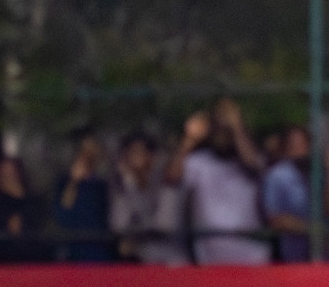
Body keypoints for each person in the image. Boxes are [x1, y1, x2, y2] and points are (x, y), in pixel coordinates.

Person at [167, 98, 270, 265]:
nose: (221, 135)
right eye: (217, 129)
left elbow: (255, 166)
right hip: (210, 257)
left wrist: (235, 126)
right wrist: (190, 139)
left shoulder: (251, 159)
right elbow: (171, 177)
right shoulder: (199, 162)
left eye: (226, 131)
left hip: (252, 256)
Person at [109, 132, 186, 265]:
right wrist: (128, 184)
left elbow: (165, 225)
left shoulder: (166, 183)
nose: (134, 158)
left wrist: (134, 234)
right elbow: (119, 225)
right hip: (142, 265)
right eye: (130, 153)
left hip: (172, 264)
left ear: (151, 156)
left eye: (139, 152)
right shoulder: (124, 186)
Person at [53, 132, 113, 262]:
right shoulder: (64, 182)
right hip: (72, 247)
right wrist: (74, 182)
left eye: (92, 150)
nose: (88, 155)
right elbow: (62, 212)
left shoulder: (101, 184)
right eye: (85, 150)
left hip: (98, 248)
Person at [262, 125, 313, 263]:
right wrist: (311, 230)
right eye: (293, 144)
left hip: (323, 259)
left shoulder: (317, 173)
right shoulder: (277, 175)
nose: (298, 148)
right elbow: (274, 218)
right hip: (290, 257)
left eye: (302, 143)